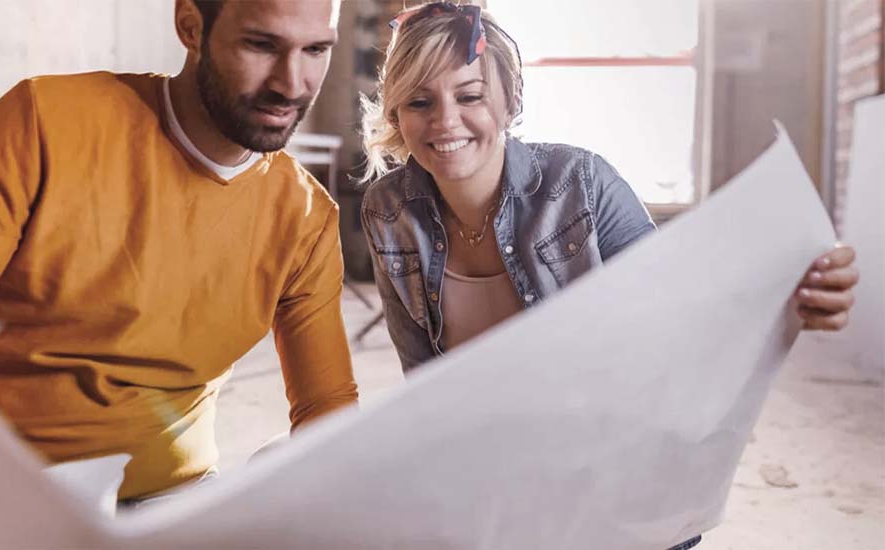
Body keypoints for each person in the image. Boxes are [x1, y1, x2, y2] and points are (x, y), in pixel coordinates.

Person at [0, 0, 356, 547]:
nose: (291, 83)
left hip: (173, 506)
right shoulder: (45, 124)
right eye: (261, 45)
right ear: (190, 26)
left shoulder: (305, 216)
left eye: (316, 51)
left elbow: (326, 407)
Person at [358, 3, 859, 549]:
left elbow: (683, 315)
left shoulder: (583, 184)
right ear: (397, 113)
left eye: (470, 95)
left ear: (510, 100)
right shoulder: (389, 209)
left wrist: (792, 289)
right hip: (498, 471)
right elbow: (425, 387)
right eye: (419, 101)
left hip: (614, 459)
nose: (444, 121)